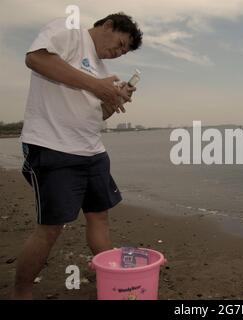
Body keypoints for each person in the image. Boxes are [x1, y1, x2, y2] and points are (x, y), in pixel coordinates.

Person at [13, 12, 143, 299]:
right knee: (50, 228)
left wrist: (113, 99)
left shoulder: (99, 68)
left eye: (124, 52)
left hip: (92, 151)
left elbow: (97, 116)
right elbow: (35, 59)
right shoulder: (69, 31)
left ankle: (110, 278)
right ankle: (21, 292)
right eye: (120, 44)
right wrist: (98, 86)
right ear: (108, 26)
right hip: (54, 147)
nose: (119, 53)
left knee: (100, 219)